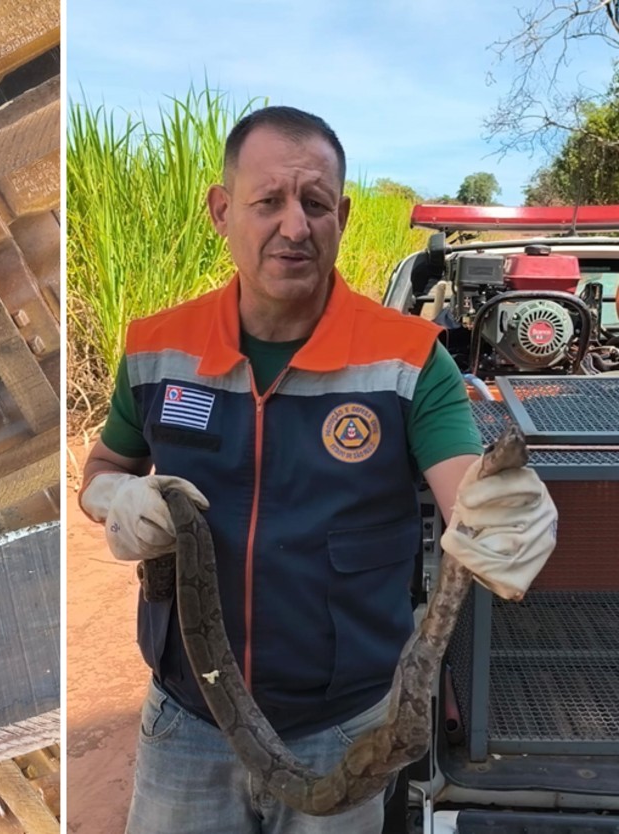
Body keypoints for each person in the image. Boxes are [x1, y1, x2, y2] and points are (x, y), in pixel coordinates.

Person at [78, 106, 558, 833]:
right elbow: (103, 467)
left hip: (346, 732)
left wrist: (501, 515)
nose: (294, 227)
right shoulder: (155, 349)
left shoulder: (408, 358)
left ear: (344, 214)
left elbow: (465, 486)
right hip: (188, 724)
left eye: (316, 203)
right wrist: (112, 495)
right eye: (267, 201)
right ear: (221, 210)